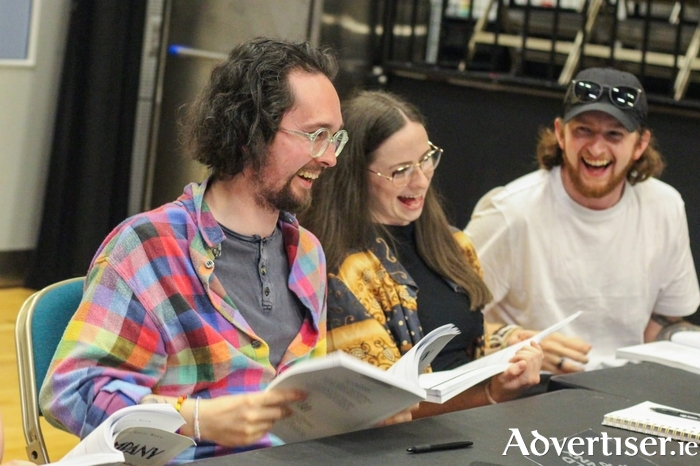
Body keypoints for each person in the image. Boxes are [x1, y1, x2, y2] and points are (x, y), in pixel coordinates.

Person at [38, 37, 411, 463]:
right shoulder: (149, 249)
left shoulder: (307, 252)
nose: (329, 158)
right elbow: (74, 390)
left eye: (335, 138)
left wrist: (361, 414)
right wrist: (196, 420)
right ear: (249, 133)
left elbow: (301, 409)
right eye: (315, 135)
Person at [298, 90, 543, 417]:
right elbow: (379, 406)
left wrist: (507, 342)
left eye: (426, 159)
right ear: (355, 176)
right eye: (400, 170)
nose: (420, 180)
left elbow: (459, 338)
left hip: (474, 421)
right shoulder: (343, 268)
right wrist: (491, 394)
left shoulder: (453, 244)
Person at [465, 67, 700, 372]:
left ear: (640, 144)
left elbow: (665, 322)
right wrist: (515, 341)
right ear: (561, 134)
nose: (596, 148)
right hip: (531, 391)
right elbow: (442, 320)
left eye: (614, 134)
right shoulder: (510, 211)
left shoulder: (665, 205)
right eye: (583, 131)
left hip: (626, 389)